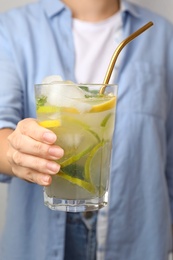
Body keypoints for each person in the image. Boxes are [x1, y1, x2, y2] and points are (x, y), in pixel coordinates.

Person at [0, 0, 172, 259]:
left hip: (138, 240)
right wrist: (17, 154)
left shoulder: (162, 36)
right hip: (37, 241)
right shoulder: (12, 28)